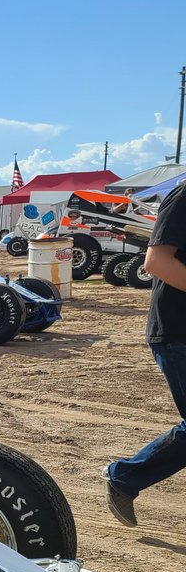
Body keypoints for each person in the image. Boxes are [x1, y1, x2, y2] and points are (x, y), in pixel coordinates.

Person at [104, 181, 186, 526]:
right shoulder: (184, 196)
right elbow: (156, 261)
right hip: (177, 332)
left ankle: (125, 478)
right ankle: (124, 477)